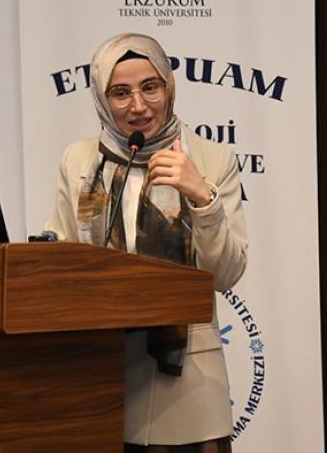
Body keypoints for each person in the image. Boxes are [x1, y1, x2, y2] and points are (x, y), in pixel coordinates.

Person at [44, 33, 249, 452]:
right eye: (121, 93)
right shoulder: (80, 160)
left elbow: (226, 274)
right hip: (98, 376)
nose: (138, 106)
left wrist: (202, 197)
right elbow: (63, 256)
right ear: (102, 99)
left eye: (150, 87)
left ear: (169, 88)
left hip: (187, 388)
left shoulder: (212, 159)